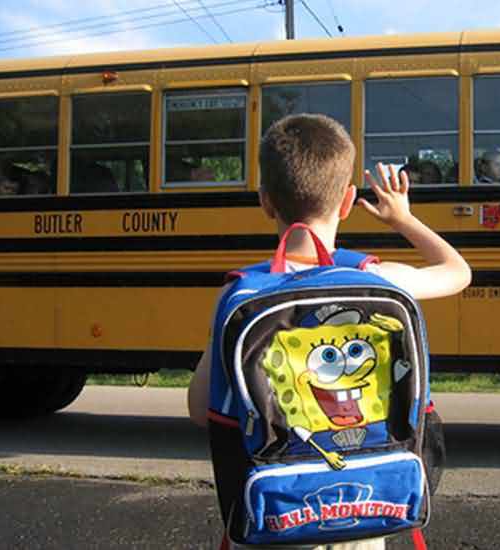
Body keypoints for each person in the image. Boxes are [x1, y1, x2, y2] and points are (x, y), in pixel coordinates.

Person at [187, 113, 471, 550]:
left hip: (278, 507)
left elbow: (200, 408)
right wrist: (401, 218)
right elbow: (457, 272)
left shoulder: (241, 293)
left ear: (266, 201)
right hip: (368, 502)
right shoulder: (379, 280)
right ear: (347, 200)